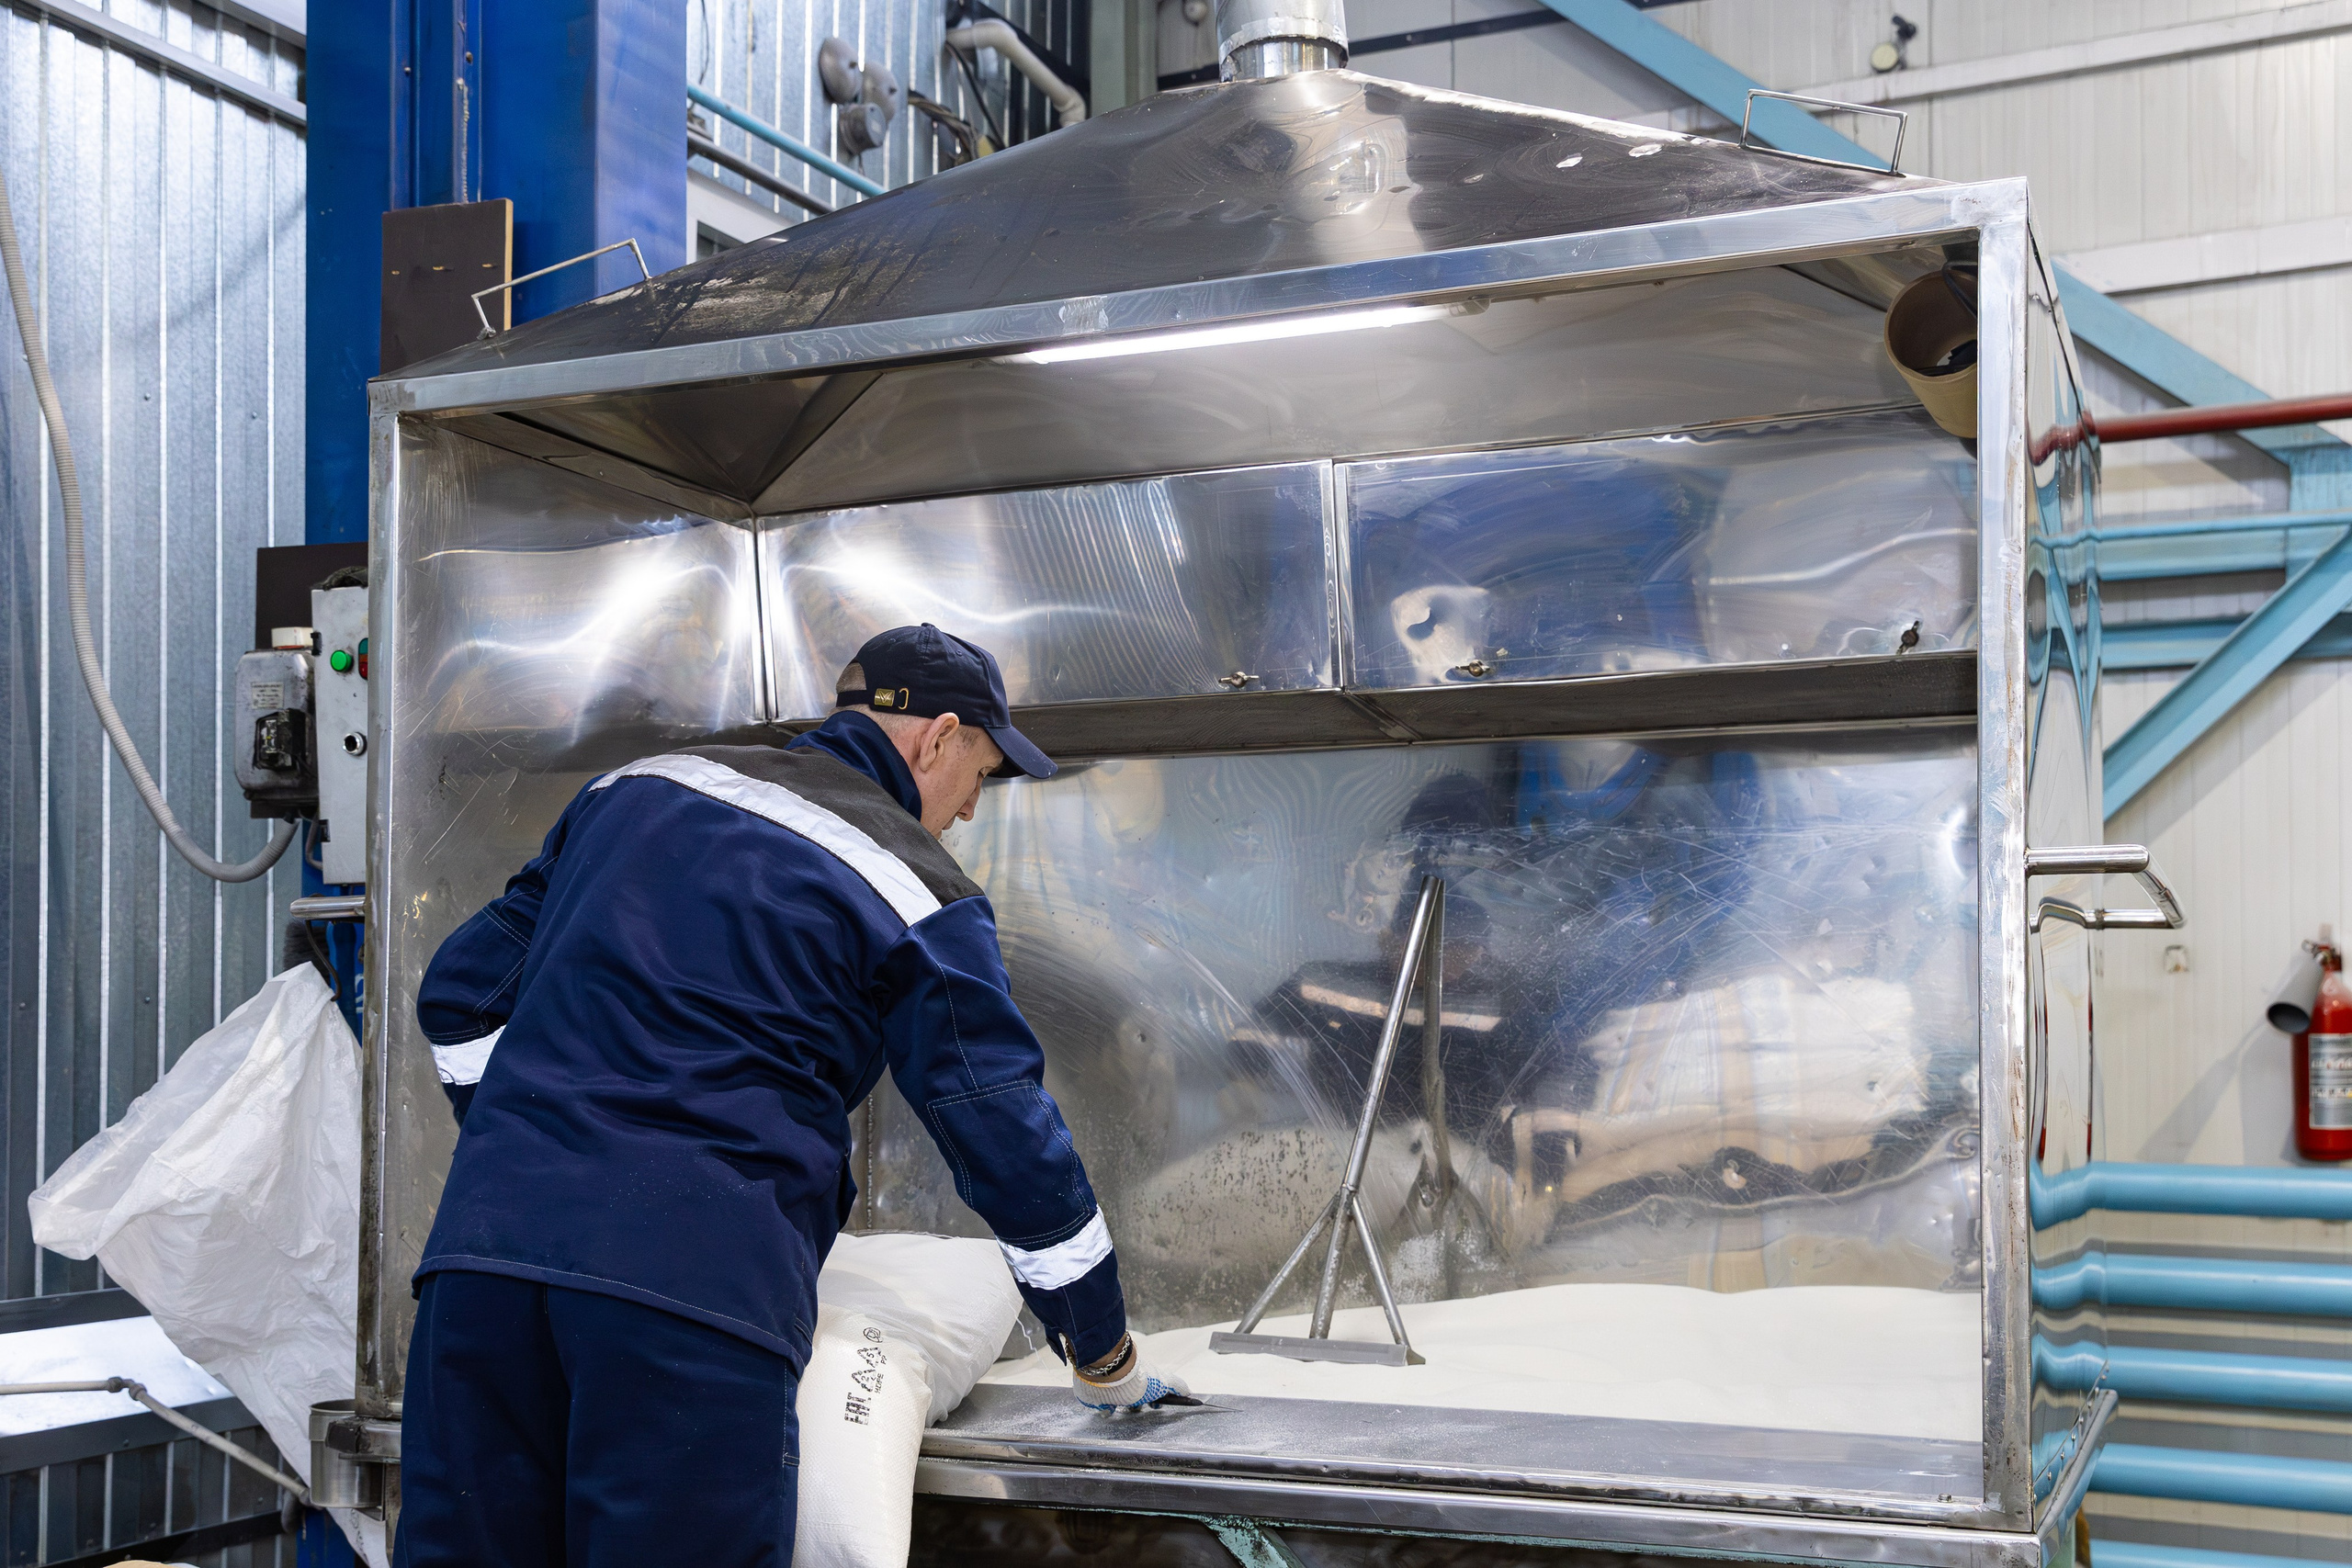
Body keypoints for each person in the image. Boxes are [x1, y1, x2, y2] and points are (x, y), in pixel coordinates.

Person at [397, 624, 1184, 1568]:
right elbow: (1004, 1134)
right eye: (981, 771)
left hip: (484, 1266)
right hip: (689, 1292)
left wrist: (524, 1152)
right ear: (936, 739)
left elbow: (458, 994)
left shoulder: (633, 793)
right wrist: (1101, 1354)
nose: (971, 809)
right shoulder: (914, 889)